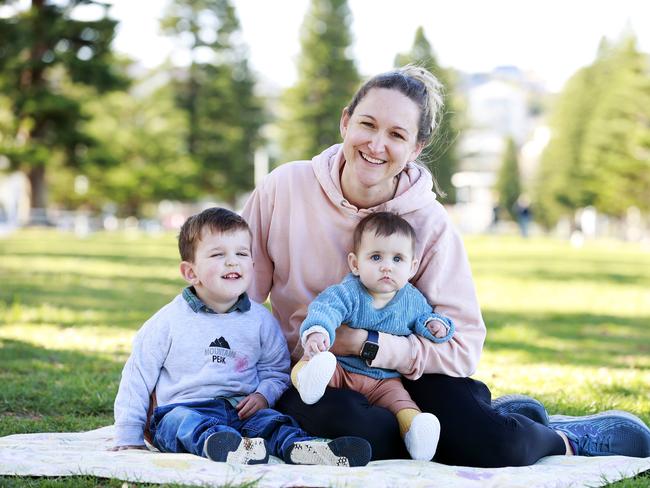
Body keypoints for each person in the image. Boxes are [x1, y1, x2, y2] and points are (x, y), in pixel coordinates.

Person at [242, 65, 650, 467]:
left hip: (407, 373)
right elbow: (238, 296)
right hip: (315, 373)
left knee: (490, 446)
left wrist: (369, 344)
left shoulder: (429, 223)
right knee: (355, 433)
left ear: (416, 148)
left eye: (397, 134)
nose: (376, 144)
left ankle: (562, 437)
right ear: (345, 122)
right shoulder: (285, 187)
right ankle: (461, 421)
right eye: (367, 124)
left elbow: (463, 346)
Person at [111, 207, 372, 467]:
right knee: (178, 423)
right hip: (187, 408)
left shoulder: (260, 321)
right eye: (217, 254)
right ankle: (220, 443)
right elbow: (137, 378)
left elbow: (276, 371)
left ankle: (303, 448)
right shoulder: (166, 322)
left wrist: (262, 396)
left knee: (274, 423)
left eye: (242, 253)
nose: (233, 261)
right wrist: (128, 434)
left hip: (242, 412)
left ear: (252, 264)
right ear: (191, 272)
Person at [292, 212, 454, 461]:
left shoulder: (411, 300)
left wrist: (435, 325)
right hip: (340, 369)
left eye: (397, 259)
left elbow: (424, 318)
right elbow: (325, 310)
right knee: (314, 361)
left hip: (383, 380)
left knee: (401, 401)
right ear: (355, 264)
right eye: (376, 257)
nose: (387, 266)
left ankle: (416, 431)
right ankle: (307, 381)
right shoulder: (348, 292)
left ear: (412, 267)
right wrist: (318, 331)